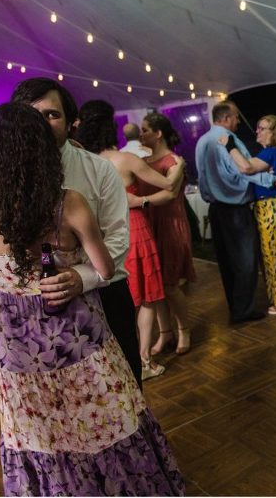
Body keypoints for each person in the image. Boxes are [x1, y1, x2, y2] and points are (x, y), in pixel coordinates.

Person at [0, 102, 186, 495]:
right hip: (73, 332)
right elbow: (105, 267)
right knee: (102, 420)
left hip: (17, 341)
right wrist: (72, 256)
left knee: (41, 430)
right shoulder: (68, 202)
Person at [0, 77, 143, 389]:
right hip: (25, 325)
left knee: (120, 393)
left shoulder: (97, 170)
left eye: (51, 115)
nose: (40, 124)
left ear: (72, 123)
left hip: (103, 299)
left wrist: (81, 277)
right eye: (31, 114)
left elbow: (118, 241)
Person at [74, 101, 186, 380]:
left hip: (99, 234)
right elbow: (169, 185)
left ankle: (121, 359)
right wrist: (180, 165)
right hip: (134, 228)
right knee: (145, 298)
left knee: (120, 298)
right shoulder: (124, 159)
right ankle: (144, 360)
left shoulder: (81, 161)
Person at [194, 101, 276, 323]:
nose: (239, 121)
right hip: (235, 211)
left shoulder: (202, 140)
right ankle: (243, 310)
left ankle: (236, 307)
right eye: (236, 117)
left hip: (215, 209)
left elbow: (202, 176)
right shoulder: (227, 140)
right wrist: (272, 180)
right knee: (245, 262)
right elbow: (243, 170)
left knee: (226, 264)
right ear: (226, 118)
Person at [223, 114, 276, 315]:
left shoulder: (271, 152)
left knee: (273, 255)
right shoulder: (275, 153)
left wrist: (230, 146)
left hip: (270, 208)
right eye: (258, 127)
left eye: (262, 128)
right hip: (273, 208)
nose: (258, 131)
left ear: (274, 133)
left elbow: (246, 167)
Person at [137, 112, 196, 356]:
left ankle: (184, 330)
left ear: (158, 133)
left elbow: (170, 193)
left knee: (170, 285)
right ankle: (165, 333)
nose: (140, 134)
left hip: (171, 226)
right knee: (156, 287)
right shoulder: (143, 162)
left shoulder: (173, 161)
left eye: (145, 130)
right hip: (150, 226)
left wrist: (139, 201)